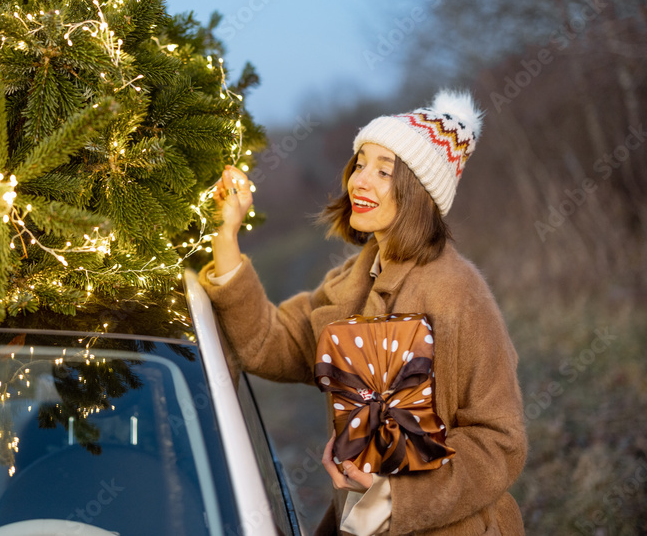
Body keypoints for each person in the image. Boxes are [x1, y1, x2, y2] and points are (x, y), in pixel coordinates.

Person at [199, 90, 526, 535]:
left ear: (418, 191)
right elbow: (269, 344)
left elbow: (500, 441)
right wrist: (225, 237)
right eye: (360, 163)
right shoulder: (353, 278)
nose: (359, 180)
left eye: (384, 170)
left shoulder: (459, 295)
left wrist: (394, 495)